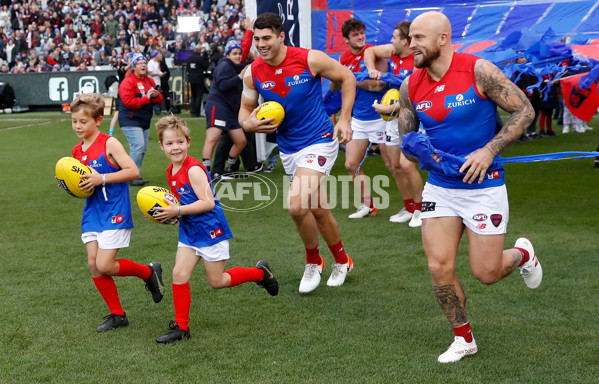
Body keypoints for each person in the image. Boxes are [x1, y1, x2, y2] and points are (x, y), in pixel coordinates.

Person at [396, 11, 543, 363]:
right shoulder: (409, 85)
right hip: (440, 189)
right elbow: (406, 139)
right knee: (438, 267)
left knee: (486, 273)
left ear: (443, 39)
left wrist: (488, 149)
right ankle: (463, 338)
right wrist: (416, 150)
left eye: (418, 38)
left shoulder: (478, 70)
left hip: (484, 187)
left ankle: (523, 254)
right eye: (410, 38)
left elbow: (524, 111)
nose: (410, 44)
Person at [239, 12, 356, 293]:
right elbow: (244, 113)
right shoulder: (253, 72)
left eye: (267, 38)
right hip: (288, 148)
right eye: (257, 39)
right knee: (317, 209)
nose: (261, 44)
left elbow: (347, 77)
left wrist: (344, 119)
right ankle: (342, 260)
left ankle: (313, 262)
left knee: (295, 206)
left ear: (281, 36)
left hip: (319, 140)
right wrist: (249, 124)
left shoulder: (309, 59)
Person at [151, 115, 279, 344]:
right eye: (169, 143)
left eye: (180, 142)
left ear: (188, 142)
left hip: (211, 231)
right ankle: (182, 328)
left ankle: (261, 273)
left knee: (217, 281)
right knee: (179, 274)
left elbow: (208, 203)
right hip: (190, 231)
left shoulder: (193, 170)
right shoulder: (171, 170)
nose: (175, 147)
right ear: (161, 146)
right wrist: (170, 214)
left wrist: (177, 211)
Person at [67, 93, 165, 333]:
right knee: (94, 264)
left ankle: (147, 272)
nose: (78, 126)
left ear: (98, 120)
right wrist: (71, 186)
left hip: (114, 210)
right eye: (74, 121)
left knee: (105, 264)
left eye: (84, 121)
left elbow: (133, 170)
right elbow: (82, 185)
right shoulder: (76, 151)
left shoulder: (109, 143)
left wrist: (101, 177)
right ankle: (118, 315)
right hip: (92, 211)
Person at [365, 20, 424, 227]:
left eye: (394, 37)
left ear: (405, 41)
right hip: (391, 118)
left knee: (407, 164)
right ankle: (409, 208)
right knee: (394, 165)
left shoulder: (417, 62)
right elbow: (370, 51)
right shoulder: (394, 52)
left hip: (410, 116)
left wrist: (389, 109)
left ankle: (421, 208)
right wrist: (372, 70)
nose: (391, 41)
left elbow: (415, 97)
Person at [331, 18, 387, 219]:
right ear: (346, 39)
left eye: (362, 33)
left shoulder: (374, 53)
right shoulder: (343, 58)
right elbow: (335, 87)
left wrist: (352, 78)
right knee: (350, 164)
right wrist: (337, 78)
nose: (361, 37)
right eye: (355, 34)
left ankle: (413, 208)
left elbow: (380, 85)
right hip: (360, 119)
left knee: (396, 166)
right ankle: (368, 206)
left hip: (384, 117)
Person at [201, 40, 250, 177]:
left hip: (230, 110)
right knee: (212, 139)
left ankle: (229, 169)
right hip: (219, 105)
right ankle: (206, 173)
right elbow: (223, 85)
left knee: (241, 141)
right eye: (234, 53)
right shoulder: (224, 65)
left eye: (239, 53)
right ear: (227, 55)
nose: (238, 56)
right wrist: (240, 77)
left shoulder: (234, 65)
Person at [118, 52, 163, 186]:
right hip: (130, 119)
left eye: (144, 63)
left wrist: (155, 95)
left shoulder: (150, 81)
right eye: (140, 63)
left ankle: (134, 173)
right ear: (133, 67)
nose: (143, 65)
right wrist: (146, 98)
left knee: (141, 149)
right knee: (138, 147)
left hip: (144, 120)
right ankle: (131, 174)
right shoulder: (128, 82)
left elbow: (159, 100)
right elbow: (128, 102)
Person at [186, 45, 209, 117]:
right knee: (199, 96)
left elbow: (188, 69)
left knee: (193, 96)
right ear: (199, 51)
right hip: (199, 79)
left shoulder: (189, 58)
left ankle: (192, 111)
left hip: (191, 79)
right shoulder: (200, 58)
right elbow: (205, 67)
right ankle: (197, 112)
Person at [147, 49, 165, 115]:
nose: (160, 55)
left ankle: (158, 110)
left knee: (158, 96)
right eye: (158, 54)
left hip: (157, 82)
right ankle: (156, 110)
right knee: (154, 96)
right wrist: (159, 74)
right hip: (153, 82)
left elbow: (157, 71)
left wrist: (161, 73)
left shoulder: (157, 63)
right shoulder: (151, 63)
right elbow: (150, 73)